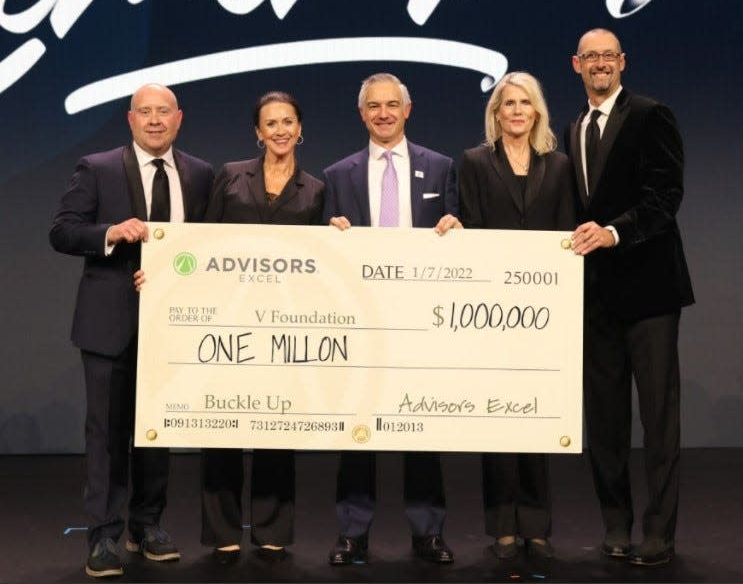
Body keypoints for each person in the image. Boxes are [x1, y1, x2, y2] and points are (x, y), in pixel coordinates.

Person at [49, 84, 213, 578]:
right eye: (146, 112)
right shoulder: (96, 168)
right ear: (130, 119)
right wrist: (110, 233)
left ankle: (147, 525)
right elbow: (62, 231)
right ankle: (103, 535)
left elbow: (208, 244)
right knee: (106, 434)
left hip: (174, 325)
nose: (156, 120)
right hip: (108, 325)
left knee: (155, 433)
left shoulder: (201, 174)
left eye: (164, 112)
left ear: (179, 118)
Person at [565, 28, 694, 566]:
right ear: (577, 65)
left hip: (649, 291)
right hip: (593, 297)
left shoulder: (650, 114)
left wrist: (615, 231)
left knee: (658, 418)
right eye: (590, 57)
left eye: (607, 56)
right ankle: (615, 524)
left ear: (622, 62)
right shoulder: (572, 129)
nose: (599, 64)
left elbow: (667, 195)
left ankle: (659, 533)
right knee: (606, 420)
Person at [322, 73, 461, 565]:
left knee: (421, 428)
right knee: (357, 429)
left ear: (408, 109)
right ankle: (352, 533)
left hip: (421, 322)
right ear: (362, 114)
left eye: (392, 105)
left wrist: (455, 229)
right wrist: (330, 233)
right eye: (373, 106)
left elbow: (458, 237)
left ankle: (428, 532)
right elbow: (325, 258)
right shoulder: (337, 175)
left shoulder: (442, 168)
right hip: (361, 324)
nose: (383, 113)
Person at [200, 91, 324, 564]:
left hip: (285, 323)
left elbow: (319, 261)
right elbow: (203, 239)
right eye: (270, 123)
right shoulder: (231, 176)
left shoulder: (315, 189)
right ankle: (223, 531)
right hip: (228, 319)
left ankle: (273, 529)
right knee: (224, 423)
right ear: (257, 132)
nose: (279, 130)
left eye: (287, 121)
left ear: (299, 128)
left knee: (276, 423)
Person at [458, 71, 574, 561]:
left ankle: (537, 523)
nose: (517, 111)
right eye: (508, 104)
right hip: (494, 313)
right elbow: (474, 229)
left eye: (526, 103)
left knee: (536, 420)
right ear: (496, 114)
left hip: (546, 313)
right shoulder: (474, 163)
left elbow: (566, 233)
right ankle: (502, 524)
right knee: (498, 422)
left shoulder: (561, 164)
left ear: (537, 112)